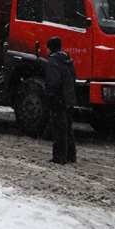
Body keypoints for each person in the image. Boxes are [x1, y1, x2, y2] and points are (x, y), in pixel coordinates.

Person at [45, 36, 77, 164]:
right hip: (69, 99)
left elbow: (53, 82)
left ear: (51, 48)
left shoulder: (54, 61)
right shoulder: (67, 59)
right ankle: (71, 155)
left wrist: (50, 96)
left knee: (58, 129)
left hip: (58, 100)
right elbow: (73, 78)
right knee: (68, 128)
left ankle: (59, 156)